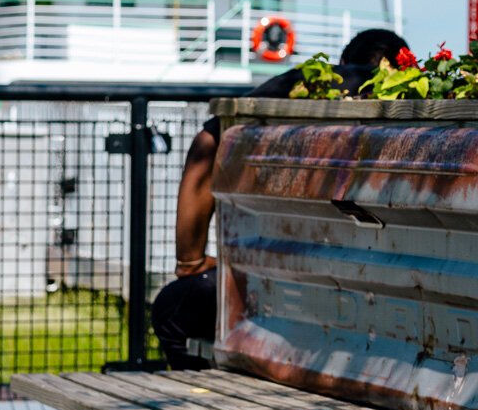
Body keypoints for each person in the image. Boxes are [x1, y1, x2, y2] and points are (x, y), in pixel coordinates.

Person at [148, 28, 411, 371]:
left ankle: (206, 398)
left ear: (345, 62)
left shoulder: (312, 84)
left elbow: (207, 144)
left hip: (286, 287)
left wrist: (190, 262)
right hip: (388, 297)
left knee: (173, 307)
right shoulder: (418, 100)